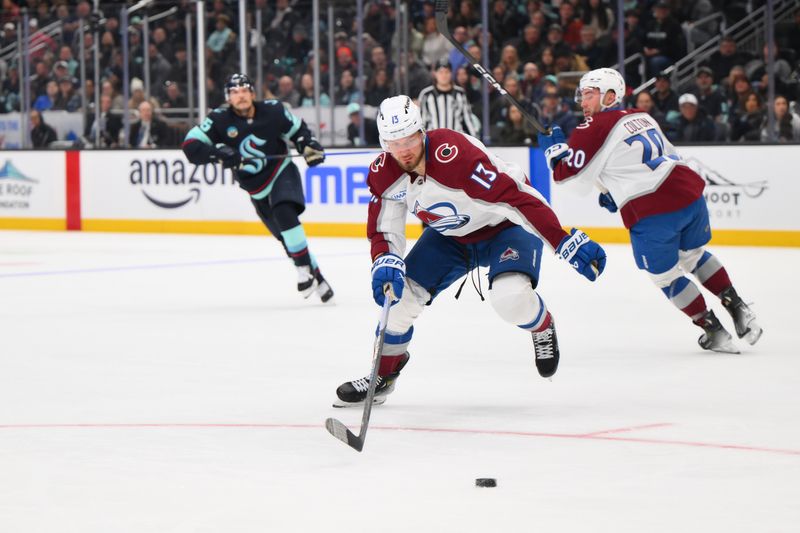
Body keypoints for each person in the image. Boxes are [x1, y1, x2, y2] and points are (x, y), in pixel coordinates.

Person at [332, 95, 606, 407]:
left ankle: (542, 325)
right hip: (450, 238)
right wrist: (385, 259)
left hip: (504, 227)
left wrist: (561, 240)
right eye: (395, 143)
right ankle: (382, 377)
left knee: (510, 298)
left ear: (421, 131)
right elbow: (385, 227)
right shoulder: (384, 173)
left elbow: (515, 198)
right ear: (385, 143)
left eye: (409, 139)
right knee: (397, 301)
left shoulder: (456, 156)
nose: (404, 150)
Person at [539, 68, 762, 354]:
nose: (583, 102)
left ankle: (714, 331)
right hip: (689, 194)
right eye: (581, 95)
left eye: (590, 94)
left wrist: (554, 154)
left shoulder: (592, 126)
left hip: (653, 212)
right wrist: (615, 192)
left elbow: (569, 181)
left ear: (610, 96)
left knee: (665, 277)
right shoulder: (641, 116)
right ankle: (740, 308)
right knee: (693, 256)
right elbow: (662, 156)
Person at [182, 73, 334, 303]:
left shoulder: (273, 110)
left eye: (244, 90)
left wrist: (307, 145)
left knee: (284, 212)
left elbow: (298, 131)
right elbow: (190, 145)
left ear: (252, 93)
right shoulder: (218, 119)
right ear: (228, 98)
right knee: (286, 237)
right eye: (234, 92)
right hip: (255, 187)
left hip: (280, 171)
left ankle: (304, 269)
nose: (240, 96)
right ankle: (318, 279)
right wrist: (217, 153)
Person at [418, 58, 479, 138]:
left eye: (447, 72)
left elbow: (467, 119)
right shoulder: (426, 94)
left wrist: (475, 139)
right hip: (433, 139)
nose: (444, 75)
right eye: (441, 72)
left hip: (455, 139)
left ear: (451, 73)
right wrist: (422, 140)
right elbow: (422, 121)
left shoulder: (460, 93)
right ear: (435, 73)